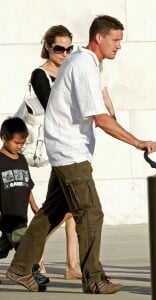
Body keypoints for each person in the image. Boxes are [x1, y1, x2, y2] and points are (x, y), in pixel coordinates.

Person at [6, 15, 156, 293]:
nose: (119, 46)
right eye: (115, 40)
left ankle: (19, 269)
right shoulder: (82, 66)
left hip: (67, 149)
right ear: (99, 38)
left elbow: (101, 107)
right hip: (70, 152)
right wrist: (138, 142)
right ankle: (94, 279)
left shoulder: (86, 64)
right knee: (91, 212)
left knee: (51, 212)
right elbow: (100, 118)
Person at [29, 25, 81, 280]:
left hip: (71, 145)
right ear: (48, 46)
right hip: (55, 147)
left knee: (69, 206)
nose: (64, 53)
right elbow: (54, 108)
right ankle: (33, 253)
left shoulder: (68, 70)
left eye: (69, 48)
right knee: (66, 207)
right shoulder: (41, 75)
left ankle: (72, 265)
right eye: (59, 48)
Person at [0, 117, 47, 285]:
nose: (20, 147)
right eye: (17, 143)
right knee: (25, 245)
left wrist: (34, 205)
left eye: (23, 144)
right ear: (4, 138)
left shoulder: (21, 160)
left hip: (21, 215)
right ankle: (32, 274)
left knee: (3, 247)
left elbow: (27, 185)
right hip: (6, 215)